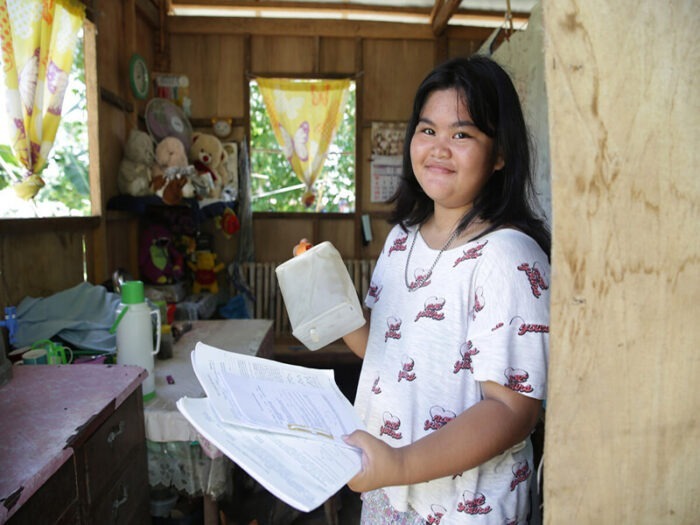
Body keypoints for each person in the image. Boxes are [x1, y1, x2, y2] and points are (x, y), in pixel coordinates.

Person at [342, 54, 551, 523]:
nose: (439, 148)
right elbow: (381, 346)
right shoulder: (402, 239)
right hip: (388, 495)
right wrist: (330, 300)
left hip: (464, 510)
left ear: (500, 154)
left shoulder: (508, 257)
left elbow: (511, 409)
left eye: (462, 134)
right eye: (427, 129)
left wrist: (398, 463)